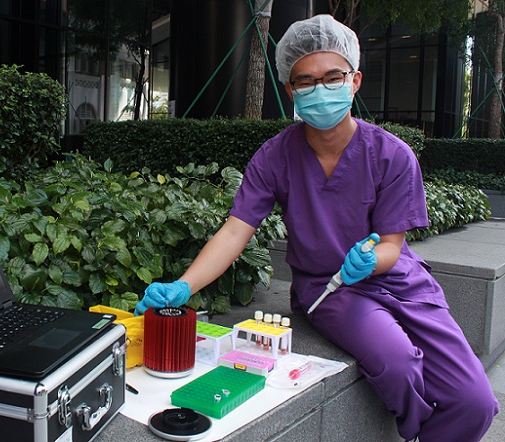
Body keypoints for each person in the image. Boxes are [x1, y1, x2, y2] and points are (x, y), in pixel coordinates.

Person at [134, 14, 499, 442]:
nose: (318, 89)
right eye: (304, 81)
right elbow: (236, 231)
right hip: (331, 289)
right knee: (398, 363)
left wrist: (370, 259)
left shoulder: (393, 156)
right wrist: (183, 286)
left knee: (475, 402)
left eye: (332, 77)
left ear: (355, 80)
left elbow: (393, 246)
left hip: (401, 283)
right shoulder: (274, 157)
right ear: (290, 90)